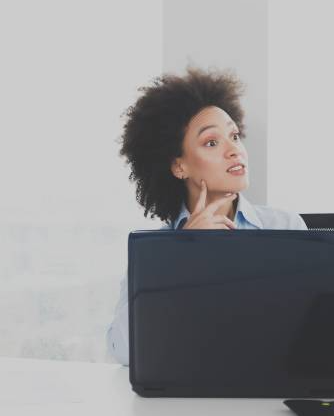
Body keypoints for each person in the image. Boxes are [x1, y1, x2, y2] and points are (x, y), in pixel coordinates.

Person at [106, 68, 306, 365]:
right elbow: (122, 350)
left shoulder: (287, 227)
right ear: (179, 166)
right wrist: (183, 255)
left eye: (234, 136)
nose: (234, 150)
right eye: (212, 142)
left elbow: (307, 334)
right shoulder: (155, 252)